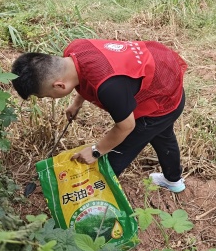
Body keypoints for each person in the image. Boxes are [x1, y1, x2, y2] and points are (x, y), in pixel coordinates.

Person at [11, 39, 188, 193]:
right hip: (159, 67)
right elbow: (87, 75)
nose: (50, 98)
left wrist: (96, 151)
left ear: (59, 85)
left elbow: (126, 126)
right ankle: (173, 181)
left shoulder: (110, 89)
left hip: (163, 96)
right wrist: (77, 103)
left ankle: (98, 208)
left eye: (47, 96)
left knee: (118, 152)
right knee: (162, 135)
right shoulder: (75, 50)